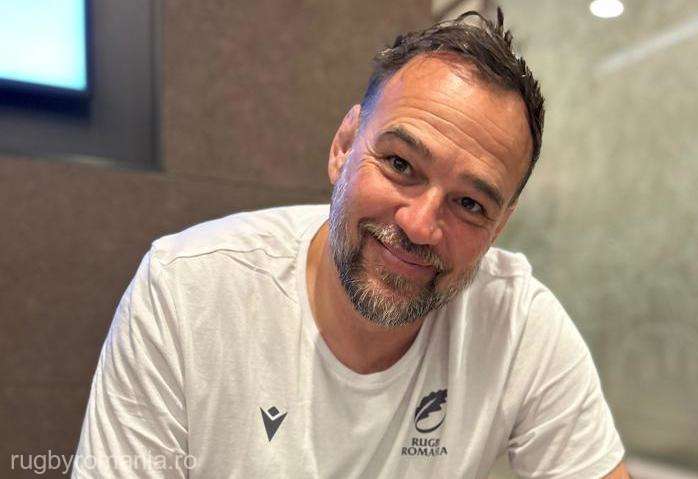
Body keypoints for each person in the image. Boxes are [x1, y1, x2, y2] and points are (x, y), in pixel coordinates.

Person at [73, 9, 629, 478]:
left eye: (469, 203)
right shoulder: (186, 289)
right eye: (400, 164)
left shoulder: (519, 325)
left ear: (499, 227)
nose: (420, 225)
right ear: (343, 147)